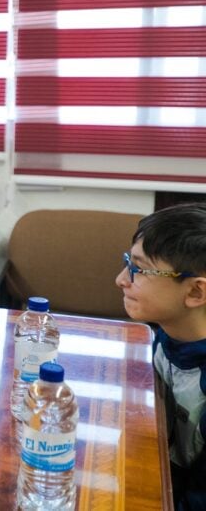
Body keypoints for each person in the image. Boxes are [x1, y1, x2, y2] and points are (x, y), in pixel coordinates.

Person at [116, 203, 206, 510]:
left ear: (195, 293)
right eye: (128, 263)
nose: (121, 280)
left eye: (138, 270)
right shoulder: (164, 336)